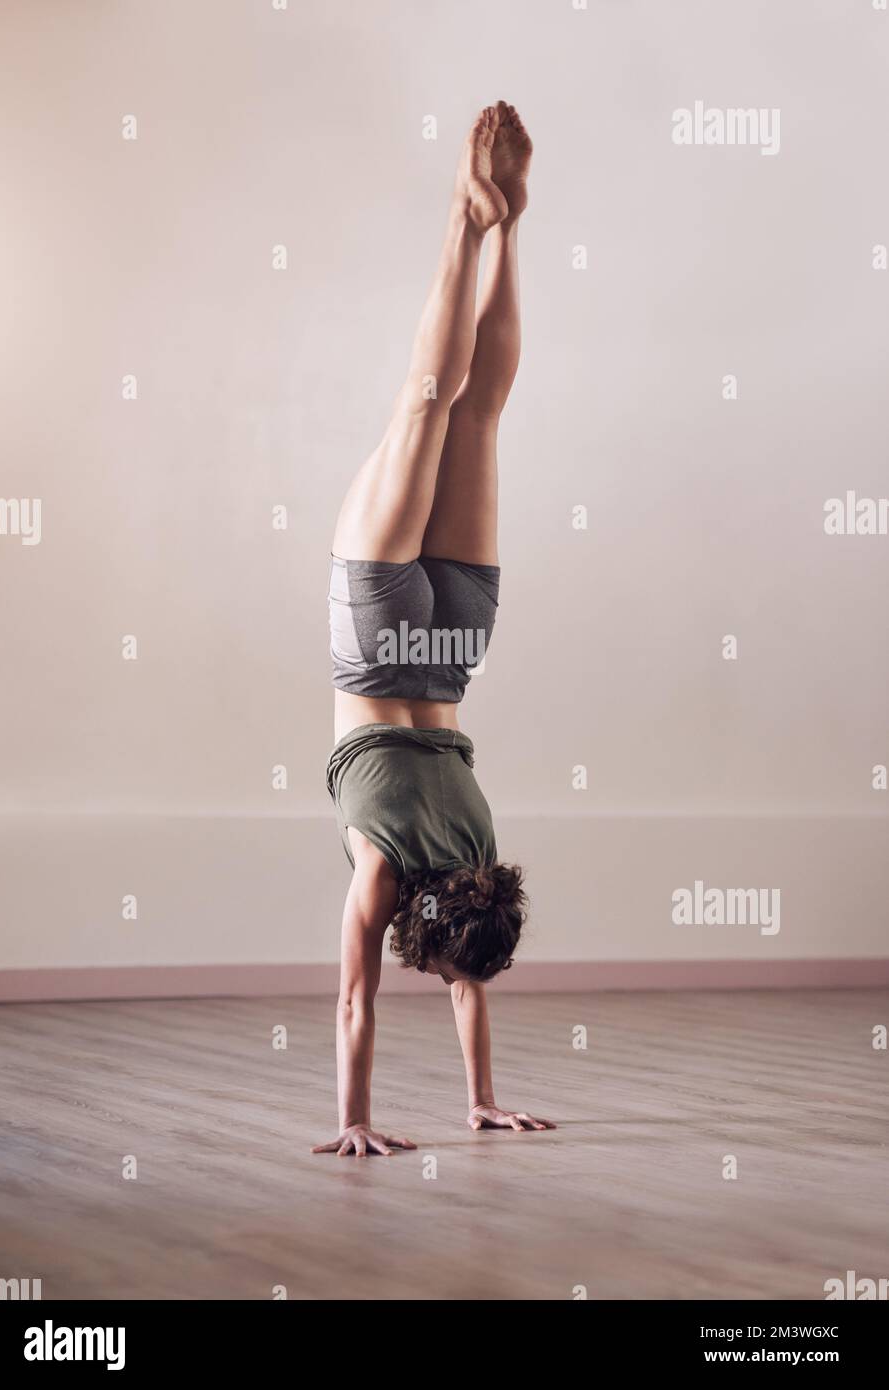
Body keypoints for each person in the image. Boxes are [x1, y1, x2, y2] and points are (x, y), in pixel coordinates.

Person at [314, 104, 555, 1158]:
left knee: (474, 411)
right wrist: (356, 1121)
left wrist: (480, 1100)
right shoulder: (385, 877)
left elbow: (472, 979)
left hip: (457, 648)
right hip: (376, 644)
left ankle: (505, 227)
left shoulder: (483, 862)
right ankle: (466, 219)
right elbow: (357, 1003)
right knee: (425, 406)